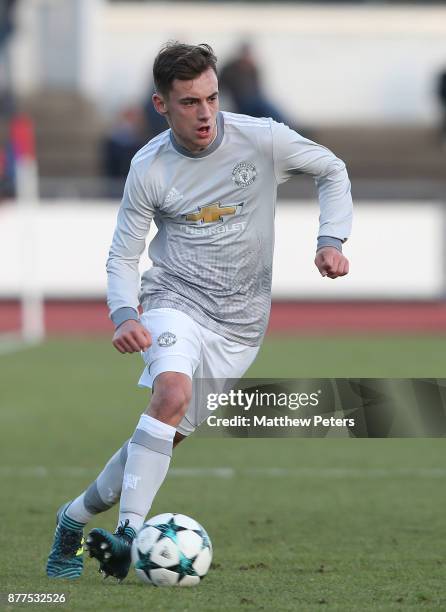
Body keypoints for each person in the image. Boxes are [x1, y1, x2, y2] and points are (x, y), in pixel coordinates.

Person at [46, 42, 352, 581]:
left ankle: (72, 519)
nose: (206, 112)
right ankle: (128, 538)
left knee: (161, 434)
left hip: (240, 327)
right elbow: (123, 252)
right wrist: (125, 314)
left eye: (211, 97)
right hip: (175, 299)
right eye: (189, 102)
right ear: (162, 105)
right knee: (171, 394)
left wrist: (331, 239)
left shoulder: (261, 139)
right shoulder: (149, 167)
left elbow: (332, 169)